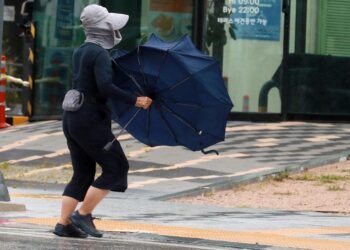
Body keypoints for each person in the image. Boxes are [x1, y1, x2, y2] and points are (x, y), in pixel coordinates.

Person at [53, 4, 152, 238]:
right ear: (103, 28)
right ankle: (83, 214)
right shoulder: (99, 53)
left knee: (82, 173)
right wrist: (135, 99)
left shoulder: (82, 50)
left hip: (72, 117)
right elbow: (105, 86)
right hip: (89, 118)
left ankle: (63, 224)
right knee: (116, 167)